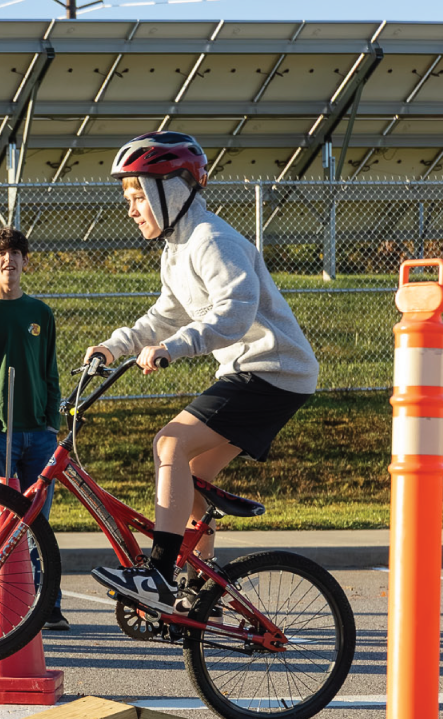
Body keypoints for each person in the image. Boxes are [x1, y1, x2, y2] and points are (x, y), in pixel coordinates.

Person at [85, 132, 319, 614]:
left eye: (137, 197)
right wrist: (115, 346)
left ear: (170, 191)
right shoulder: (177, 249)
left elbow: (235, 311)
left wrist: (171, 349)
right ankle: (197, 581)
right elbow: (164, 315)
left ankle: (159, 574)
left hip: (271, 369)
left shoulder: (213, 239)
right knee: (189, 474)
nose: (131, 209)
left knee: (169, 443)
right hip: (257, 371)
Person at [0, 226, 69, 631]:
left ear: (25, 261)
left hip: (38, 433)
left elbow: (50, 372)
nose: (9, 260)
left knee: (38, 518)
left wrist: (51, 422)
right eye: (0, 254)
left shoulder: (40, 313)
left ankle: (47, 604)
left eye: (16, 253)